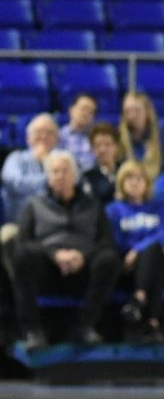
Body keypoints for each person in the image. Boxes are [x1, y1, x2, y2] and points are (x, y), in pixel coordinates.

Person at [13, 150, 119, 351]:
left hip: (84, 270)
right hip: (47, 270)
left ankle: (85, 326)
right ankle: (33, 331)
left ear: (74, 175)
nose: (60, 176)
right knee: (23, 256)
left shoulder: (94, 206)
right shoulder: (34, 206)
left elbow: (106, 241)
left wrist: (83, 254)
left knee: (109, 258)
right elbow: (23, 242)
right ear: (48, 176)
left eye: (65, 171)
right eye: (55, 172)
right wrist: (54, 254)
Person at [106, 160, 164, 342]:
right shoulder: (113, 210)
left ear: (147, 183)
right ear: (121, 183)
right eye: (129, 178)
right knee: (157, 255)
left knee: (156, 255)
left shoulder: (158, 207)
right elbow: (116, 242)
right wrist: (136, 253)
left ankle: (139, 299)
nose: (134, 183)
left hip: (150, 262)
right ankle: (152, 324)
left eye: (139, 178)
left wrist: (138, 249)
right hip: (128, 266)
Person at [2, 113, 57, 229]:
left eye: (49, 133)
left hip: (57, 225)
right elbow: (15, 183)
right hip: (19, 225)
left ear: (56, 139)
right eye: (38, 132)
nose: (43, 136)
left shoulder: (63, 159)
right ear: (28, 138)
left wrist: (47, 162)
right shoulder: (16, 158)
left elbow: (70, 187)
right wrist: (49, 180)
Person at [119, 92, 164, 184]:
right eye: (127, 111)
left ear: (147, 112)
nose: (132, 116)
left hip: (157, 187)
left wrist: (152, 188)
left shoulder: (162, 134)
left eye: (137, 110)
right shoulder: (119, 138)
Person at [80, 121, 121, 205]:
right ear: (92, 149)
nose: (103, 150)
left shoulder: (126, 170)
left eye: (107, 144)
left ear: (116, 146)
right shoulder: (88, 176)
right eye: (98, 145)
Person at [58, 92, 97, 171]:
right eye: (83, 109)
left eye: (90, 112)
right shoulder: (59, 136)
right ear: (71, 110)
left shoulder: (95, 138)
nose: (85, 114)